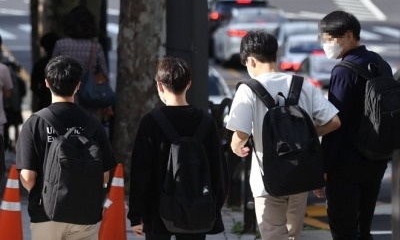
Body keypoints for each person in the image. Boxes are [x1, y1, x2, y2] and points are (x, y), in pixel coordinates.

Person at [225, 30, 341, 240]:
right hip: (300, 177)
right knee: (292, 236)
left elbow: (240, 134)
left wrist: (235, 147)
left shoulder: (248, 90)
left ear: (250, 61)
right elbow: (334, 122)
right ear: (275, 56)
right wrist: (310, 133)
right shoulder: (303, 85)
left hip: (266, 182)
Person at [16, 55, 116, 240]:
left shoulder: (35, 123)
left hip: (46, 214)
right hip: (85, 214)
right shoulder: (93, 124)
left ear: (47, 83)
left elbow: (28, 178)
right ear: (78, 85)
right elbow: (104, 174)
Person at [127, 57, 229, 240]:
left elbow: (140, 172)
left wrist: (136, 214)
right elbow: (219, 171)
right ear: (189, 84)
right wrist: (213, 206)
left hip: (157, 211)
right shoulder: (206, 123)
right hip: (197, 209)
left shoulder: (150, 122)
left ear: (159, 86)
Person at [318, 10, 393, 240]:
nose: (326, 44)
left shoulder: (343, 71)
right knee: (363, 229)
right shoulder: (380, 63)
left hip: (346, 164)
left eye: (329, 38)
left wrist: (324, 166)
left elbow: (335, 123)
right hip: (376, 157)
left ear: (348, 35)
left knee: (344, 230)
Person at [52, 5, 113, 121]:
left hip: (65, 96)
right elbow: (104, 74)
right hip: (89, 99)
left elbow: (51, 71)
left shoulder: (60, 45)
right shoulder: (95, 47)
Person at [31, 32, 59, 111]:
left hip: (44, 102)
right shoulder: (64, 64)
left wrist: (41, 94)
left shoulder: (39, 64)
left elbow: (33, 86)